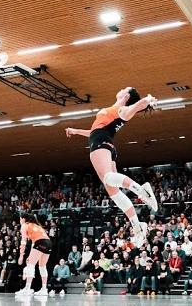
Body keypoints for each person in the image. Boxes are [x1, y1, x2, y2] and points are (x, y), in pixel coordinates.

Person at [65, 88, 158, 246]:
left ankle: (142, 191)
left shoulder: (122, 110)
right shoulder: (114, 110)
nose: (121, 89)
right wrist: (76, 131)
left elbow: (137, 105)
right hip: (105, 141)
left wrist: (148, 99)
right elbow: (94, 130)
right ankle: (137, 227)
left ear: (126, 96)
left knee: (107, 178)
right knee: (114, 193)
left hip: (100, 142)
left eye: (124, 89)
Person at [15, 214, 53, 297]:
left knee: (30, 266)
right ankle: (44, 289)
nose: (20, 221)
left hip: (40, 243)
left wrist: (21, 256)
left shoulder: (25, 225)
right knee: (42, 267)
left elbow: (23, 242)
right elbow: (34, 243)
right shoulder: (37, 226)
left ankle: (27, 289)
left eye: (20, 219)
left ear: (23, 219)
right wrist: (30, 256)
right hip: (48, 243)